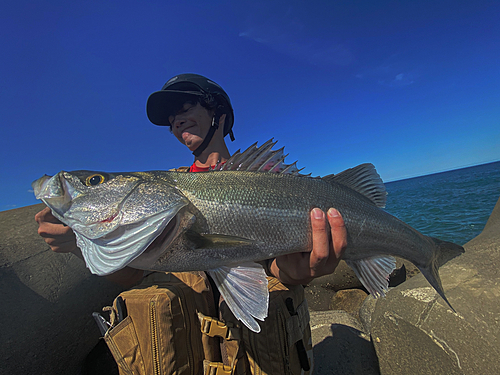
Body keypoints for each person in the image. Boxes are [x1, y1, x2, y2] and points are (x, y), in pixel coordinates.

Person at [35, 73, 348, 374]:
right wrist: (80, 245)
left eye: (185, 108)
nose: (176, 120)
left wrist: (292, 273)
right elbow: (133, 274)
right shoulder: (166, 188)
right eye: (171, 118)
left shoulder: (266, 179)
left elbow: (273, 266)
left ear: (219, 113)